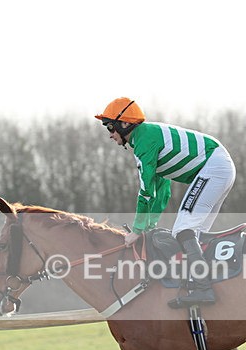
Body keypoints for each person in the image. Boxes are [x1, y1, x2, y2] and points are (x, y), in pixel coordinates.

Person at [95, 97, 236, 308]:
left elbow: (145, 192)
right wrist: (149, 226)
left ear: (125, 124)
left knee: (183, 229)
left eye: (110, 127)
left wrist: (137, 229)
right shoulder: (146, 138)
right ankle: (201, 283)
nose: (110, 134)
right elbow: (161, 193)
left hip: (215, 167)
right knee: (192, 233)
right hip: (219, 166)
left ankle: (203, 288)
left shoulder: (144, 142)